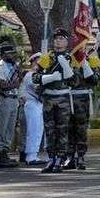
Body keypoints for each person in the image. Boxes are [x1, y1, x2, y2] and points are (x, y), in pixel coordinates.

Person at [34, 28, 75, 173]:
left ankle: (60, 159)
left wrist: (66, 68)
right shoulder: (46, 58)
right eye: (56, 39)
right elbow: (35, 76)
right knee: (49, 130)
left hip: (63, 97)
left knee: (62, 130)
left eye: (61, 39)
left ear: (66, 42)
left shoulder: (70, 58)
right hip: (49, 97)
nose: (58, 41)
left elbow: (74, 81)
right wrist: (49, 78)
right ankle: (51, 158)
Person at [63, 47, 96, 170]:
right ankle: (69, 157)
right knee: (68, 129)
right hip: (68, 98)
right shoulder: (66, 60)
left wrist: (85, 64)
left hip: (82, 100)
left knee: (81, 130)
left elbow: (94, 80)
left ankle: (81, 156)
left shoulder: (88, 61)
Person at [0, 43, 21, 168]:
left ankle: (5, 151)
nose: (13, 56)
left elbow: (21, 80)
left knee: (9, 128)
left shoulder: (13, 66)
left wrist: (19, 73)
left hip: (13, 99)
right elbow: (1, 83)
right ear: (4, 54)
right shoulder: (0, 66)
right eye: (11, 53)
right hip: (4, 98)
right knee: (1, 128)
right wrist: (15, 85)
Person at [20, 53, 47, 166]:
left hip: (39, 104)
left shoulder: (40, 75)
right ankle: (30, 156)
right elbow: (36, 89)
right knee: (34, 130)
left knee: (39, 130)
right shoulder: (30, 75)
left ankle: (34, 155)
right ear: (34, 62)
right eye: (38, 61)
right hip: (32, 103)